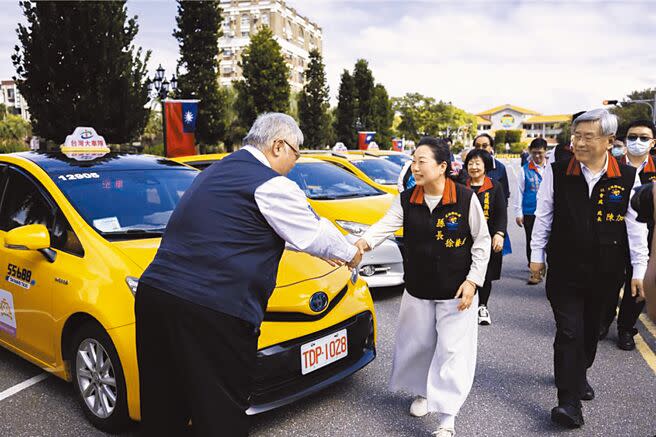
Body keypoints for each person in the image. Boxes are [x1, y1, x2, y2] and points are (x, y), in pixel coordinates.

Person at [135, 113, 363, 436]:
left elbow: (243, 225)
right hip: (211, 309)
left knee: (163, 407)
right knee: (220, 413)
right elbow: (312, 232)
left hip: (156, 296)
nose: (295, 164)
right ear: (278, 146)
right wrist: (350, 253)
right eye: (296, 154)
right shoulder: (269, 182)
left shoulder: (217, 171)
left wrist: (314, 250)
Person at [355, 137, 491, 437]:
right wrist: (363, 243)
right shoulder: (407, 199)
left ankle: (447, 417)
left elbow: (482, 243)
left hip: (457, 292)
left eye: (422, 161)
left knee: (452, 351)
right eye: (413, 161)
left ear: (442, 166)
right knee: (418, 346)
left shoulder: (466, 199)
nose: (415, 167)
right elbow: (385, 224)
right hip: (418, 289)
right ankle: (423, 392)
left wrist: (473, 281)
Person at [530, 108, 648, 428]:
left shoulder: (626, 176)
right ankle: (567, 402)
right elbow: (544, 216)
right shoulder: (558, 172)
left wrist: (639, 270)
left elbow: (635, 226)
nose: (579, 143)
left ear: (609, 141)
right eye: (576, 136)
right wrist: (536, 256)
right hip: (566, 267)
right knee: (569, 331)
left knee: (592, 330)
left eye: (587, 137)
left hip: (608, 272)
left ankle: (578, 373)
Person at [600, 120, 656, 350]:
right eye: (633, 137)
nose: (637, 142)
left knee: (639, 283)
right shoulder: (611, 166)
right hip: (614, 233)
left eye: (644, 138)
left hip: (648, 237)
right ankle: (603, 321)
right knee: (608, 281)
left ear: (653, 142)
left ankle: (625, 329)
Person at [465, 148, 506, 325]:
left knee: (486, 273)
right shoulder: (460, 185)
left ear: (486, 165)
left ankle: (483, 306)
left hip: (487, 238)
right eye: (470, 163)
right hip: (464, 237)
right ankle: (465, 303)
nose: (473, 167)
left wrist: (499, 233)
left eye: (477, 163)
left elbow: (501, 213)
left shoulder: (495, 186)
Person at [513, 138, 548, 283]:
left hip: (548, 212)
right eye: (534, 153)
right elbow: (519, 192)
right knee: (532, 241)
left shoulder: (551, 169)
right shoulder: (524, 170)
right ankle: (534, 271)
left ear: (546, 152)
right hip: (530, 212)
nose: (537, 156)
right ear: (529, 152)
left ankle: (543, 264)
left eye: (540, 153)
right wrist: (518, 212)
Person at [473, 133, 510, 202]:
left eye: (484, 146)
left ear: (491, 148)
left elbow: (505, 195)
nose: (480, 149)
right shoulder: (469, 167)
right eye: (477, 146)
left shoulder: (500, 168)